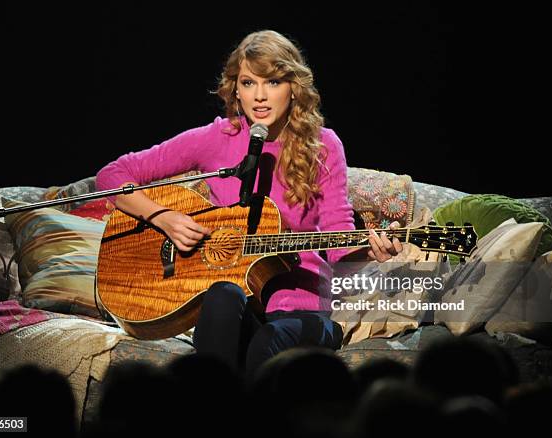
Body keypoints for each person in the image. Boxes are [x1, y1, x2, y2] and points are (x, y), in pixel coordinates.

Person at [96, 30, 402, 378]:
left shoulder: (324, 146)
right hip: (236, 306)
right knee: (222, 296)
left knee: (264, 347)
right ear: (235, 90)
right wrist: (163, 217)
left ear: (293, 87)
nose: (259, 96)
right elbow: (113, 174)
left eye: (272, 82)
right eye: (247, 82)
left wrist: (371, 249)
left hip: (301, 312)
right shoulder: (218, 137)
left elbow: (338, 241)